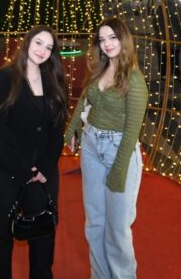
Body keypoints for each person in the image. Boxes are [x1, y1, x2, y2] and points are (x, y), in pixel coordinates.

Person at [0, 26, 68, 279]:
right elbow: (1, 128)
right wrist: (24, 171)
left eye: (49, 47)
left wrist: (44, 169)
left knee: (43, 233)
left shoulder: (54, 79)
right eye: (38, 43)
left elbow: (57, 130)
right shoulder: (5, 77)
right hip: (4, 170)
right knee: (1, 234)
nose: (42, 50)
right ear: (27, 42)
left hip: (42, 172)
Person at [65, 17, 148, 279]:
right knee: (95, 222)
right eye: (102, 39)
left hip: (119, 151)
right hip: (91, 146)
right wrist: (73, 127)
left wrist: (118, 171)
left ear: (124, 40)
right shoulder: (100, 68)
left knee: (117, 229)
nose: (107, 44)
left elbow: (132, 131)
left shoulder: (134, 80)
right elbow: (86, 98)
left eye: (112, 37)